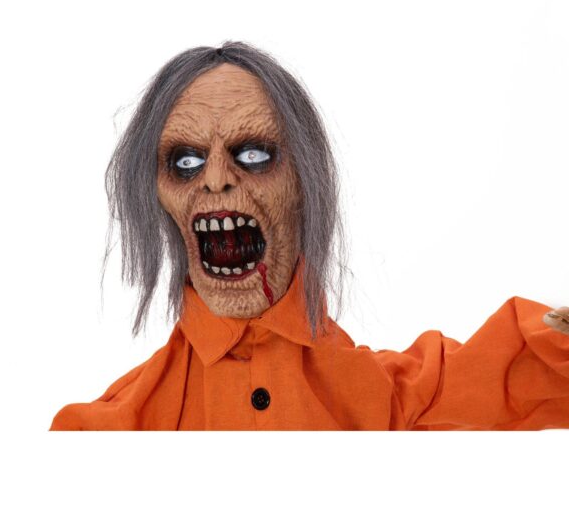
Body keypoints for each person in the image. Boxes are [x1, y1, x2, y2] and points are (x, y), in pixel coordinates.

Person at [50, 42, 569, 430]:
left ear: (304, 182)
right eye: (185, 162)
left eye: (254, 153)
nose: (216, 178)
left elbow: (499, 377)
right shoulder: (107, 432)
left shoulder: (383, 399)